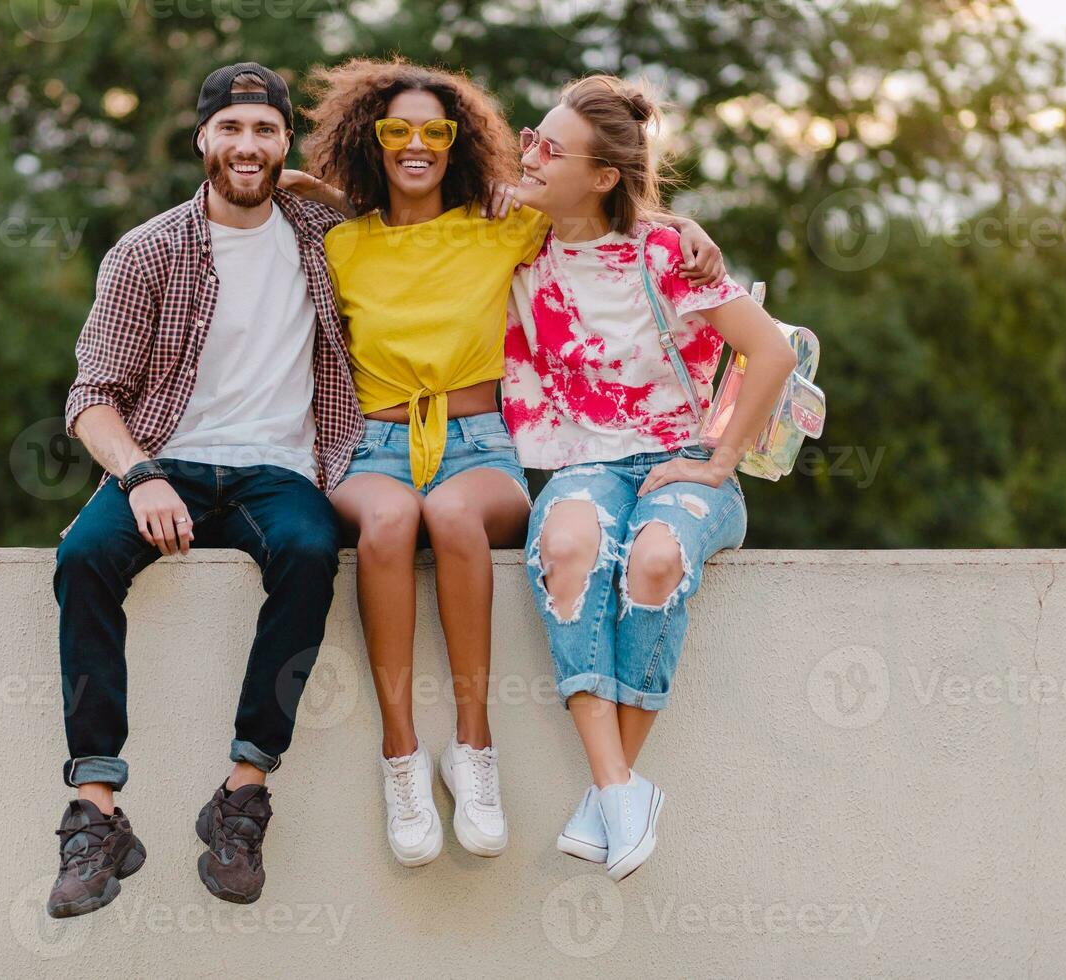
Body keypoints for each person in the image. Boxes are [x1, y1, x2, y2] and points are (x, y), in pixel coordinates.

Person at [286, 57, 725, 867]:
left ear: (458, 143)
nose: (415, 143)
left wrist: (690, 231)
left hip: (478, 445)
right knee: (387, 525)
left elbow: (611, 209)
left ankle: (474, 750)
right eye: (395, 131)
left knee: (452, 515)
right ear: (368, 141)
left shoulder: (503, 223)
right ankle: (401, 757)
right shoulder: (339, 243)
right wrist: (316, 193)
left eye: (434, 131)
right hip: (375, 446)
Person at [45, 62, 362, 915]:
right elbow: (91, 396)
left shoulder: (325, 234)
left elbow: (412, 199)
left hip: (282, 471)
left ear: (285, 141)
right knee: (81, 558)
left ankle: (242, 795)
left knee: (309, 551)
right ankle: (97, 810)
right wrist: (141, 474)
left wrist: (292, 178)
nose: (247, 146)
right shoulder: (148, 250)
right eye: (231, 130)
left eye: (265, 131)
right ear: (202, 139)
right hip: (170, 464)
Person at [504, 75, 796, 880]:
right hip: (580, 463)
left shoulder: (666, 252)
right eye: (531, 136)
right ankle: (620, 789)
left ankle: (610, 795)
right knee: (568, 547)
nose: (529, 154)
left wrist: (720, 457)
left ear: (602, 177)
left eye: (549, 150)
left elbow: (769, 351)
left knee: (656, 558)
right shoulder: (512, 237)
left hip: (682, 463)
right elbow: (404, 193)